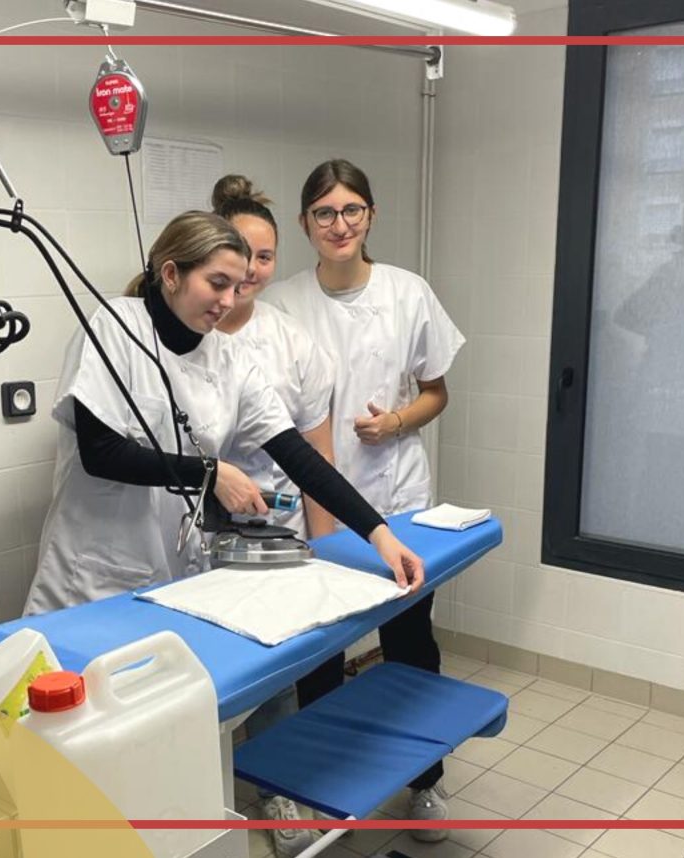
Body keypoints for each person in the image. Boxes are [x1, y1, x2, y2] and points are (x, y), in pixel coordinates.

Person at [25, 209, 424, 624]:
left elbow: (298, 456)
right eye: (217, 284)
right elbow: (100, 452)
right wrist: (211, 473)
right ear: (171, 274)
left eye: (235, 287)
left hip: (172, 574)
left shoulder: (229, 358)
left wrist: (379, 534)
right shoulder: (114, 327)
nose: (229, 301)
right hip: (94, 577)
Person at [265, 158, 464, 840]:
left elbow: (437, 391)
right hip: (313, 507)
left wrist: (397, 422)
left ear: (371, 216)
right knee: (319, 652)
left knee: (409, 643)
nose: (339, 224)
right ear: (304, 223)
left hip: (397, 496)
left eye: (352, 210)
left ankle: (426, 783)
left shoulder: (409, 293)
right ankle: (319, 788)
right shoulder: (283, 302)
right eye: (324, 213)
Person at [211, 175, 335, 855]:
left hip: (273, 530)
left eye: (264, 257)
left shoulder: (291, 343)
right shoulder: (183, 332)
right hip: (187, 529)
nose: (252, 270)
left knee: (275, 667)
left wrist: (329, 546)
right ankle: (200, 790)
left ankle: (277, 790)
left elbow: (316, 456)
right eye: (239, 254)